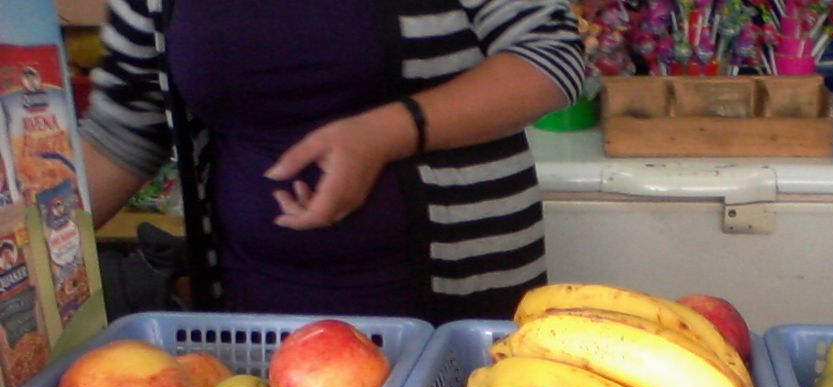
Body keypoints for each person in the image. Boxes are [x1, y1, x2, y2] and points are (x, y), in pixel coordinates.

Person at [82, 0, 585, 323]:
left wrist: (387, 132)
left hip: (452, 314)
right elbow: (122, 130)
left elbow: (550, 56)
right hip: (251, 315)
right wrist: (31, 255)